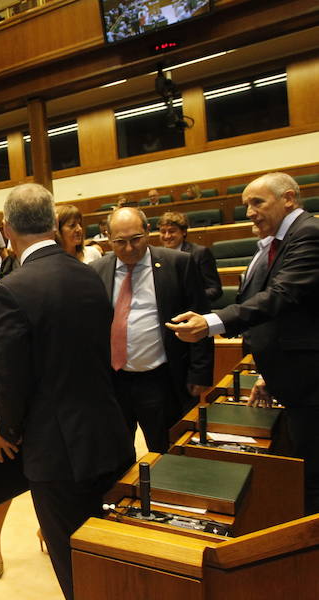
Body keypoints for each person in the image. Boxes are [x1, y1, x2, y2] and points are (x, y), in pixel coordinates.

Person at [0, 183, 134, 600]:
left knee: (73, 565)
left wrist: (6, 427)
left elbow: (11, 373)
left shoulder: (13, 288)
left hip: (57, 451)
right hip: (109, 434)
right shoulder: (91, 275)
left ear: (7, 229)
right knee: (111, 557)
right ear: (53, 224)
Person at [167, 172, 319, 514]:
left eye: (257, 202)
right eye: (246, 204)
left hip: (312, 389)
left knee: (312, 480)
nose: (249, 212)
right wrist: (268, 375)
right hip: (296, 380)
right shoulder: (275, 241)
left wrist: (211, 322)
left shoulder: (308, 233)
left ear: (289, 199)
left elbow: (281, 297)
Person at [89, 207, 213, 454]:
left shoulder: (178, 263)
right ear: (108, 239)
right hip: (114, 381)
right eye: (120, 242)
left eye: (135, 239)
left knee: (166, 449)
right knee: (115, 452)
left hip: (159, 378)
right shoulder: (97, 270)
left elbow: (199, 317)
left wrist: (200, 373)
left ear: (148, 231)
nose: (128, 248)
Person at [158, 211, 222, 302]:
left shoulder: (200, 253)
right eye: (163, 232)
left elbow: (215, 290)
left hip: (193, 311)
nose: (167, 236)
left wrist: (188, 299)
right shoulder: (157, 255)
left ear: (183, 232)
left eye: (172, 231)